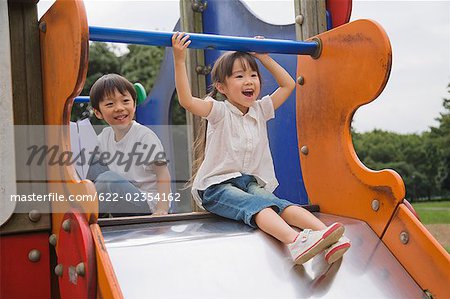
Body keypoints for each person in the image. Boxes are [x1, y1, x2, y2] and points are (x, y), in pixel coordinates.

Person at [172, 32, 350, 265]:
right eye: (239, 76)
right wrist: (179, 60)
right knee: (261, 205)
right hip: (216, 187)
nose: (249, 81)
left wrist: (265, 57)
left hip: (249, 182)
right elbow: (186, 101)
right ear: (221, 87)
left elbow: (288, 84)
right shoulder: (218, 111)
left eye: (253, 75)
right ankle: (295, 241)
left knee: (282, 205)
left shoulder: (259, 109)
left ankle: (329, 237)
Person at [88, 74, 171, 217]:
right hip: (122, 202)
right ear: (98, 112)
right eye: (110, 104)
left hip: (145, 204)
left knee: (109, 180)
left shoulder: (144, 136)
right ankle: (91, 214)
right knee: (87, 160)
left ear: (134, 104)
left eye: (125, 101)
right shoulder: (104, 136)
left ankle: (87, 216)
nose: (119, 108)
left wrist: (162, 210)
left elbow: (162, 174)